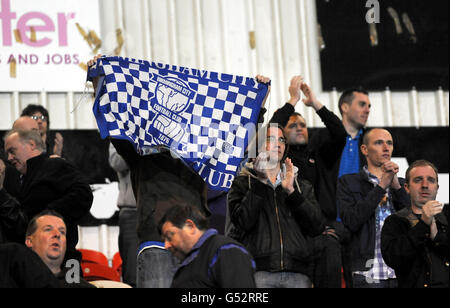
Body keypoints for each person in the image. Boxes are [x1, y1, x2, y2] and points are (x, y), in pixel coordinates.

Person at [269, 76, 348, 287]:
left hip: (321, 234)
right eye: (292, 124)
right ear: (282, 133)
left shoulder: (320, 155)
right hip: (291, 235)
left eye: (303, 125)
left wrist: (315, 104)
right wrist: (292, 100)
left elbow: (340, 134)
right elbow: (272, 128)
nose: (299, 127)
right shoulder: (276, 158)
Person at [226, 124, 324, 288]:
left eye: (281, 140)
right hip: (258, 273)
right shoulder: (242, 183)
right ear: (258, 146)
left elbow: (317, 226)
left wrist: (292, 192)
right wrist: (261, 183)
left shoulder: (300, 185)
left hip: (298, 272)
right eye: (271, 139)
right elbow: (241, 223)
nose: (278, 144)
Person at [0, 129, 93, 265]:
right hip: (33, 263)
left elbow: (83, 194)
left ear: (31, 144)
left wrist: (47, 216)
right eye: (7, 153)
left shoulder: (54, 165)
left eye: (12, 151)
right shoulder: (19, 179)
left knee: (72, 284)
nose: (9, 158)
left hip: (66, 261)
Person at [336, 128, 410, 288]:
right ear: (364, 149)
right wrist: (382, 186)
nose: (386, 147)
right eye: (379, 142)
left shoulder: (402, 185)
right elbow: (351, 221)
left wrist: (397, 187)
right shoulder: (348, 182)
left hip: (401, 272)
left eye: (389, 143)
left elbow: (414, 222)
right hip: (367, 273)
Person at [381, 160, 449, 288]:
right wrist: (423, 224)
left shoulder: (446, 219)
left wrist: (436, 235)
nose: (425, 185)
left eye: (431, 180)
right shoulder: (395, 221)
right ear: (407, 187)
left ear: (437, 187)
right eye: (418, 180)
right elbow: (394, 259)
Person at [158, 204, 256, 288]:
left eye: (170, 236)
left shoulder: (225, 250)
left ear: (190, 226)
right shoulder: (187, 266)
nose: (166, 245)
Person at [25, 210, 95, 288]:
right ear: (29, 241)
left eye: (62, 232)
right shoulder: (13, 281)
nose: (57, 234)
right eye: (48, 229)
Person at [108, 142, 139, 287]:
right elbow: (116, 162)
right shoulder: (120, 130)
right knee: (132, 277)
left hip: (160, 211)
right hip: (132, 212)